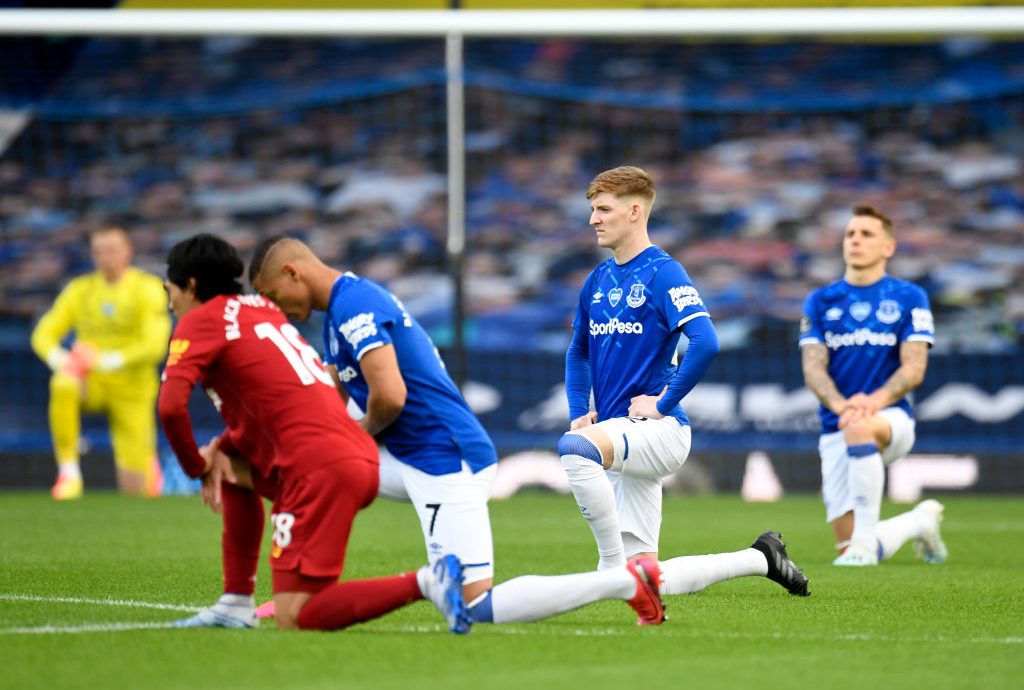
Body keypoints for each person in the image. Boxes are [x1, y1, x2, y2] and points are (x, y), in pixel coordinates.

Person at [234, 234, 667, 627]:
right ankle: (298, 595)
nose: (275, 309)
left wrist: (344, 440)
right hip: (408, 454)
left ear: (293, 273)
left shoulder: (355, 304)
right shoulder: (337, 313)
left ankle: (625, 581)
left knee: (474, 604)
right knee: (309, 471)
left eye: (272, 296)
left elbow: (390, 397)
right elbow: (331, 395)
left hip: (445, 455)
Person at [157, 233, 470, 632]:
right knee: (231, 467)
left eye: (170, 292)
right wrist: (220, 447)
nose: (170, 305)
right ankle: (235, 601)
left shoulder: (201, 320)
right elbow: (279, 398)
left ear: (191, 286)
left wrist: (195, 467)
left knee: (296, 615)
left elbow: (170, 406)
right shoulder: (262, 311)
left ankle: (426, 581)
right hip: (349, 453)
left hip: (315, 468)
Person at [560, 165, 810, 597]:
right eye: (593, 209)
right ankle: (762, 558)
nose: (593, 219)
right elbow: (578, 351)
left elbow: (705, 341)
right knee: (644, 581)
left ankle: (608, 566)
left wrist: (662, 403)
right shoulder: (597, 280)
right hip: (621, 430)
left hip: (659, 429)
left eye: (603, 209)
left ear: (635, 211)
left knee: (575, 449)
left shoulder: (663, 272)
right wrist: (579, 411)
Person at [799, 204, 948, 566]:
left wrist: (872, 402)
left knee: (861, 427)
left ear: (888, 247)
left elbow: (914, 368)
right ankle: (919, 522)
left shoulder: (909, 297)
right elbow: (813, 369)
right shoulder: (820, 300)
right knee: (844, 546)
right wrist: (843, 407)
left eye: (867, 234)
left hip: (890, 419)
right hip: (838, 422)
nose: (856, 240)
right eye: (850, 234)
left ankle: (865, 543)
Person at [30, 226, 170, 499]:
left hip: (133, 389)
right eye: (100, 252)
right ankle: (69, 473)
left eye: (113, 250)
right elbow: (42, 334)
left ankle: (147, 463)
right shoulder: (80, 290)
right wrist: (61, 359)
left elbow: (155, 345)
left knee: (136, 490)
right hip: (91, 381)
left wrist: (106, 360)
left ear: (128, 251)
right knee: (63, 383)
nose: (107, 257)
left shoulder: (148, 289)